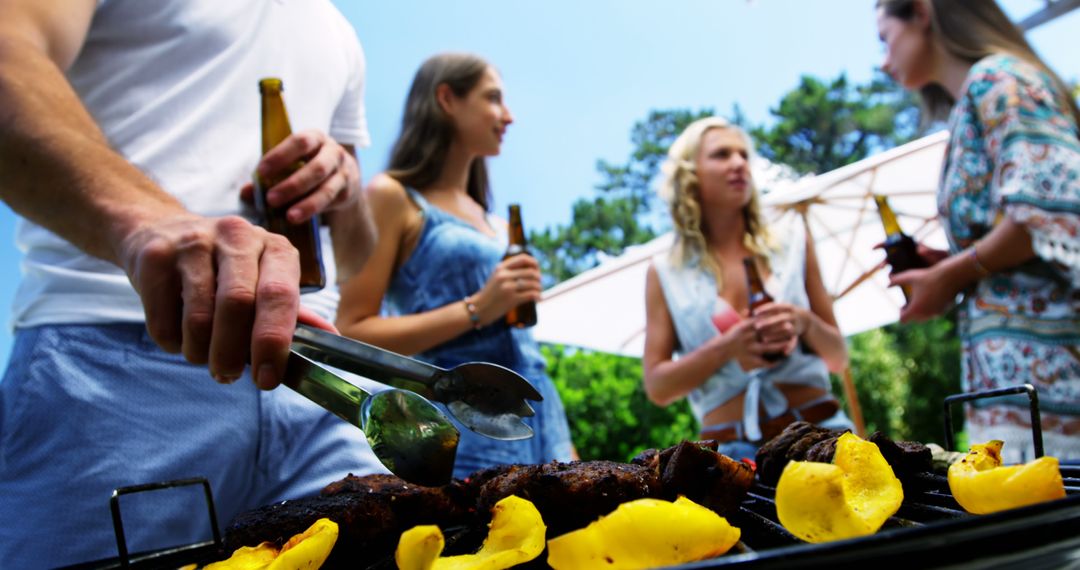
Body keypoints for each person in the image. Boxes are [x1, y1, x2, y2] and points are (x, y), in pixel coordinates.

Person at [0, 1, 383, 567]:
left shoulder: (338, 32)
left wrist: (345, 188)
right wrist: (147, 223)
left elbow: (356, 256)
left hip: (321, 390)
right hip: (112, 374)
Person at [336, 53, 575, 479]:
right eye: (494, 98)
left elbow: (528, 355)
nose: (509, 116)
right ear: (447, 98)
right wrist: (479, 307)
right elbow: (352, 331)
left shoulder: (496, 223)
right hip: (466, 435)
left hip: (545, 427)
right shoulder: (393, 197)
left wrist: (564, 444)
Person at [876, 0, 1080, 462]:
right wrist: (950, 264)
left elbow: (1050, 209)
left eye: (885, 38)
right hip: (1026, 399)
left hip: (1057, 397)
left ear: (922, 12)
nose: (883, 60)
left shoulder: (998, 79)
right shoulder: (978, 95)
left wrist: (951, 275)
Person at [642, 116, 852, 461]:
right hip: (731, 454)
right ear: (689, 173)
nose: (739, 163)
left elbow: (838, 356)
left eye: (743, 155)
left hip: (822, 434)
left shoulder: (792, 241)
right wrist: (726, 348)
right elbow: (658, 387)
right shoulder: (666, 271)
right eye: (722, 155)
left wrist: (802, 322)